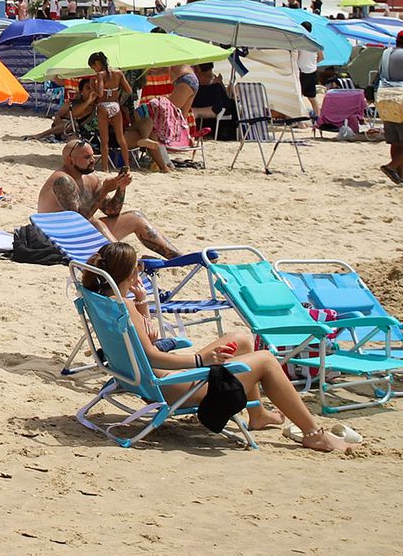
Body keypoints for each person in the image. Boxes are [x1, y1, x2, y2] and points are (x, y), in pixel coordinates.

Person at [83, 242, 352, 453]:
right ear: (129, 273)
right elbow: (154, 356)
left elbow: (142, 347)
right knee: (267, 360)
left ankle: (257, 415)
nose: (140, 272)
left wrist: (141, 300)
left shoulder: (106, 301)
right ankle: (313, 434)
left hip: (139, 378)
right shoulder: (124, 307)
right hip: (171, 386)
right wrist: (202, 360)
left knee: (242, 340)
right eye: (138, 269)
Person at [39, 138, 180, 258]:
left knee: (135, 217)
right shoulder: (63, 180)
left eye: (93, 156)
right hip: (57, 238)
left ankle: (177, 257)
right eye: (87, 158)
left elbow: (112, 211)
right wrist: (104, 189)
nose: (92, 161)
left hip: (79, 235)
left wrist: (121, 187)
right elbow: (78, 220)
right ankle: (125, 260)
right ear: (70, 160)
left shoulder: (90, 178)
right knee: (96, 223)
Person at [87, 51, 134, 171]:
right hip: (115, 105)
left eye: (94, 67)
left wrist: (93, 86)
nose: (94, 70)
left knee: (104, 140)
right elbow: (129, 90)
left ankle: (105, 168)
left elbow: (100, 93)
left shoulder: (100, 75)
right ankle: (127, 166)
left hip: (103, 106)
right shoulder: (118, 73)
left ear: (97, 63)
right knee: (121, 138)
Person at [26, 78, 98, 142]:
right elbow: (66, 115)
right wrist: (88, 101)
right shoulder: (72, 102)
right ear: (81, 91)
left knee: (74, 133)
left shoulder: (95, 105)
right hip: (62, 126)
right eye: (88, 88)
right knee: (70, 124)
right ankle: (40, 135)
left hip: (77, 130)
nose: (91, 91)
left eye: (93, 89)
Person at [378, 31, 403, 184]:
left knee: (396, 140)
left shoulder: (386, 53)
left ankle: (399, 174)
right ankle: (392, 167)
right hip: (400, 96)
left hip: (384, 96)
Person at [296, 21, 321, 117]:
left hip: (301, 71)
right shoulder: (315, 41)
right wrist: (313, 63)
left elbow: (297, 56)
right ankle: (318, 116)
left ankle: (300, 118)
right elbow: (321, 57)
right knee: (312, 97)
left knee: (298, 96)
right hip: (312, 71)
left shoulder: (300, 41)